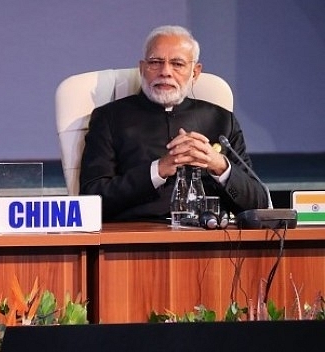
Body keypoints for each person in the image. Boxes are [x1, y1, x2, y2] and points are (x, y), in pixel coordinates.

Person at [79, 25, 269, 222]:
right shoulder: (109, 118)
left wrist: (219, 165)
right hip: (135, 240)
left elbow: (259, 205)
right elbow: (91, 201)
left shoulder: (221, 120)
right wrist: (158, 170)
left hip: (209, 241)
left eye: (177, 64)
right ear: (142, 68)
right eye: (155, 62)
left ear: (195, 73)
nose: (165, 72)